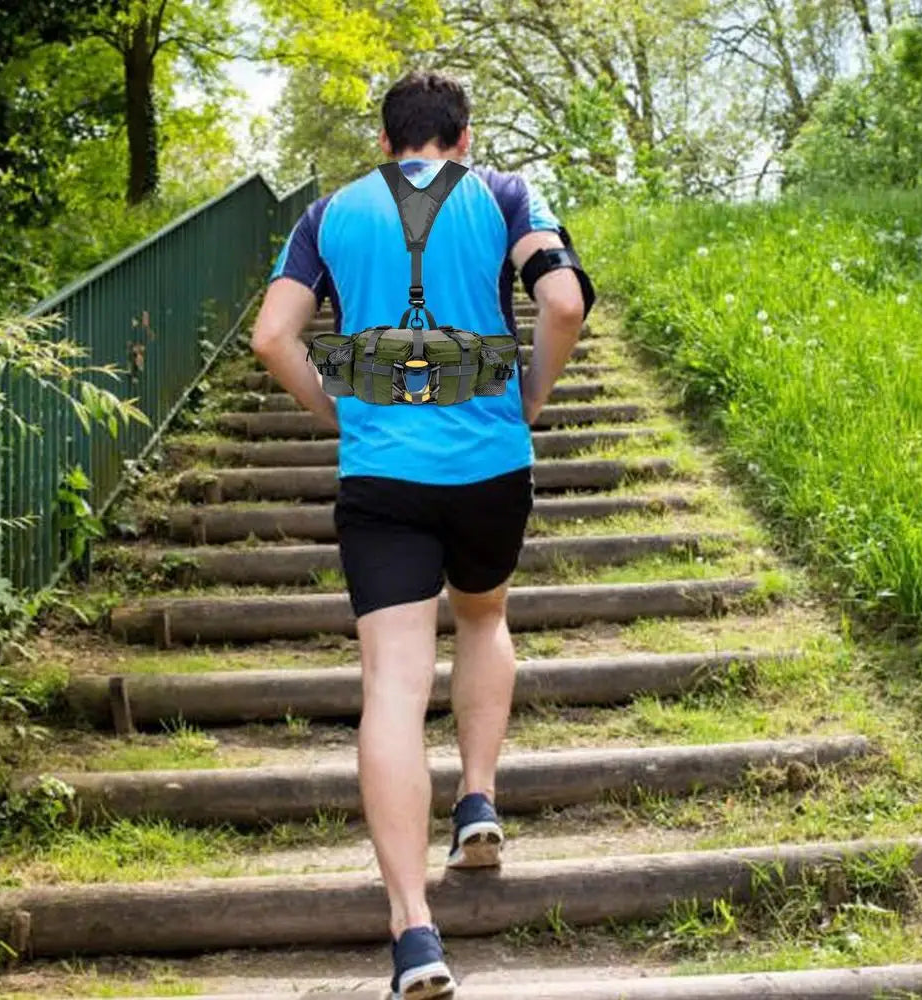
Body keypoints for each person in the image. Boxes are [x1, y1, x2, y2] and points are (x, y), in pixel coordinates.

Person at [252, 70, 590, 1000]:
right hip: (488, 463)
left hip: (382, 477)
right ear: (464, 136)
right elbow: (562, 303)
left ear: (386, 138)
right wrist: (531, 396)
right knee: (482, 620)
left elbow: (273, 336)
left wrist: (339, 414)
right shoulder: (506, 194)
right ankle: (477, 800)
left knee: (392, 689)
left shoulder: (326, 215)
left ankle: (412, 931)